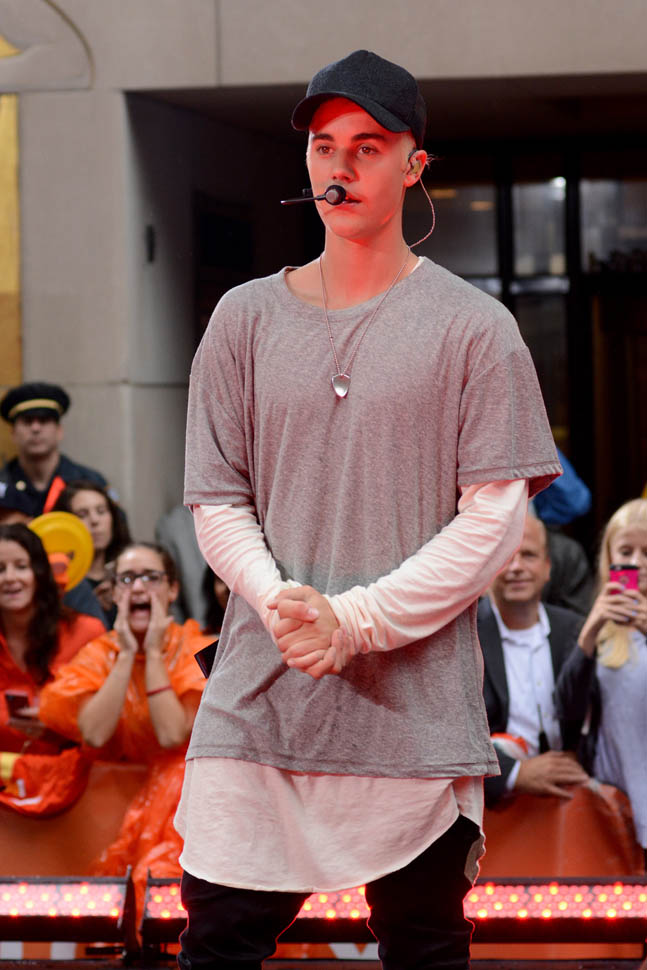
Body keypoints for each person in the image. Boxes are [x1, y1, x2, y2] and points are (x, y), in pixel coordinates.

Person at [176, 49, 561, 970]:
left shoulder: (474, 327)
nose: (339, 167)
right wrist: (283, 604)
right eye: (323, 146)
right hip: (259, 701)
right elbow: (217, 497)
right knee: (216, 945)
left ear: (414, 164)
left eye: (367, 146)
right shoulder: (242, 319)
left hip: (411, 715)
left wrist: (352, 620)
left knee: (423, 950)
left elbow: (493, 520)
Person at [39, 542, 212, 913]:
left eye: (151, 577)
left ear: (172, 590)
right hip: (106, 815)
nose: (138, 588)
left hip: (182, 812)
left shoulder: (195, 648)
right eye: (127, 579)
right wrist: (127, 653)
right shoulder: (98, 654)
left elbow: (171, 735)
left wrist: (153, 653)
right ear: (114, 592)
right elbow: (94, 734)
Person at [554, 497, 647, 851]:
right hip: (614, 805)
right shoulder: (593, 632)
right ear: (609, 559)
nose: (636, 563)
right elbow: (566, 713)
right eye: (625, 552)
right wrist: (590, 632)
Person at [478, 511, 588, 805]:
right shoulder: (464, 638)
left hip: (567, 801)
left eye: (528, 555)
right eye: (506, 556)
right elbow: (448, 730)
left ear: (548, 566)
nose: (516, 567)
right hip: (493, 808)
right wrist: (515, 774)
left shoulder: (576, 631)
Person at [0, 523, 105, 813]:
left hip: (78, 796)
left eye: (21, 566)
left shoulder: (86, 633)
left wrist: (59, 725)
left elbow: (112, 726)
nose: (10, 578)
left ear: (40, 572)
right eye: (0, 569)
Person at [0, 381, 110, 518]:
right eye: (27, 421)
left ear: (59, 431)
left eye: (44, 420)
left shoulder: (89, 481)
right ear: (13, 433)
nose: (35, 428)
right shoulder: (3, 484)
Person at [54, 480, 132, 627]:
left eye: (101, 511)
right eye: (82, 514)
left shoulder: (131, 574)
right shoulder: (61, 583)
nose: (95, 520)